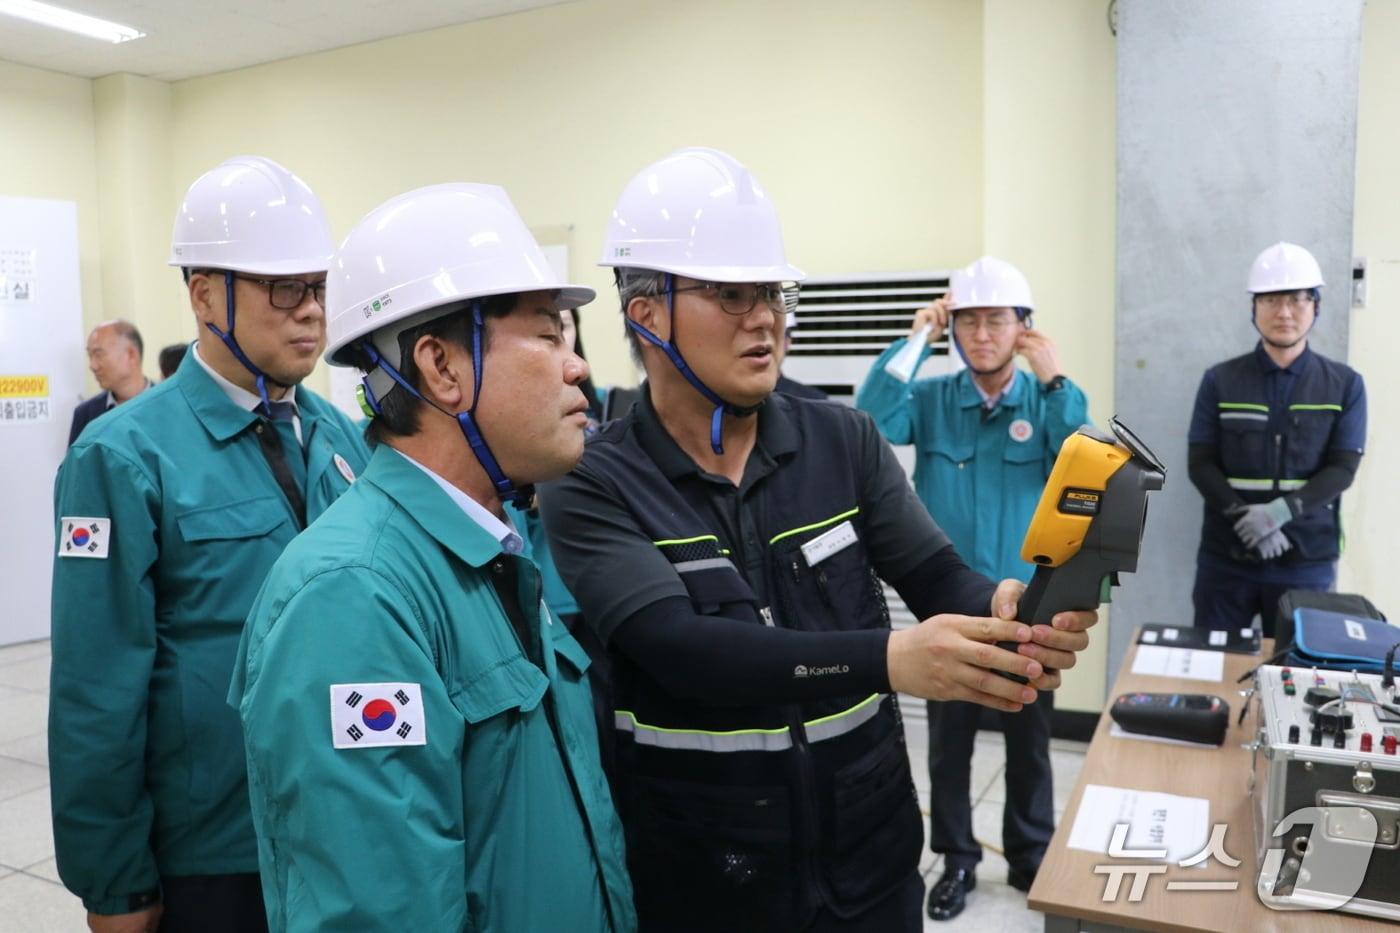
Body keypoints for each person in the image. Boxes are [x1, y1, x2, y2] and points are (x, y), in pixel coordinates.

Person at [540, 147, 1098, 933]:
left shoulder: (841, 440)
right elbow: (678, 647)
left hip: (869, 850)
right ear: (647, 315)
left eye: (772, 290)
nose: (765, 316)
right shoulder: (593, 478)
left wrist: (1003, 604)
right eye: (731, 294)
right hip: (709, 871)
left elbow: (933, 570)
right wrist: (888, 659)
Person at [228, 183, 636, 933]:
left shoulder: (492, 553)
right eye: (549, 336)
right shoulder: (354, 596)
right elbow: (377, 911)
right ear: (442, 368)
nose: (578, 368)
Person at [49, 155, 369, 933]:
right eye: (283, 288)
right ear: (202, 294)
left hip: (346, 822)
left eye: (319, 287)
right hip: (217, 852)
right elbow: (97, 684)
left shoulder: (341, 439)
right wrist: (115, 882)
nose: (311, 313)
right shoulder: (122, 455)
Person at [855, 256, 1090, 920]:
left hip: (1030, 602)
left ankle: (1029, 851)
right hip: (952, 603)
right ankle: (957, 856)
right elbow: (872, 416)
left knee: (1029, 739)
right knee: (950, 742)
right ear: (952, 329)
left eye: (997, 320)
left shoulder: (1048, 401)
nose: (982, 334)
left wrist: (1057, 377)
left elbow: (1081, 455)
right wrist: (914, 339)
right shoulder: (932, 398)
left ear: (1023, 328)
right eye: (968, 321)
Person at [1188, 242, 1366, 636]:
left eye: (1298, 300)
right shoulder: (1220, 380)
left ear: (1316, 306)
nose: (1284, 312)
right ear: (1254, 308)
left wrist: (1278, 513)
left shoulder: (1344, 385)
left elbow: (1343, 468)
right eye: (1270, 300)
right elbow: (1200, 463)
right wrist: (1243, 515)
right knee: (1214, 666)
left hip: (1306, 562)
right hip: (1226, 559)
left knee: (1296, 672)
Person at [69, 319, 150, 444]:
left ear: (131, 354)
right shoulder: (85, 414)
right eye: (90, 356)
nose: (92, 366)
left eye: (98, 354)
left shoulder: (170, 403)